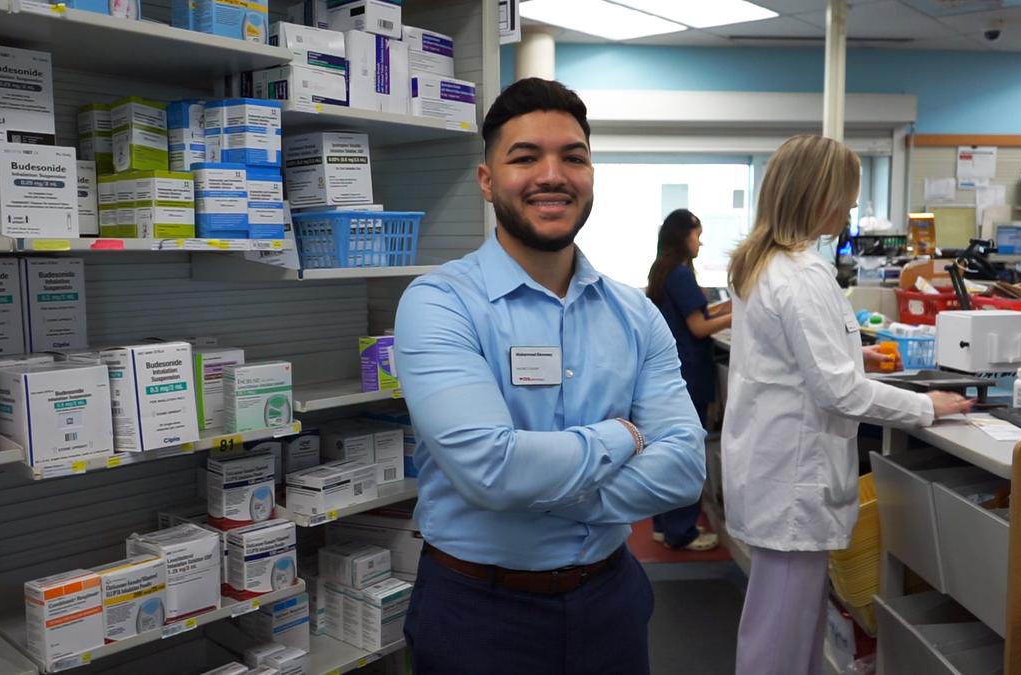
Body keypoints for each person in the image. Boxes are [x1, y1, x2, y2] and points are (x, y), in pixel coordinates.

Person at [393, 77, 707, 675]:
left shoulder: (634, 313)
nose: (552, 175)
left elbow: (686, 468)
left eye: (573, 157)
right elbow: (492, 468)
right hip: (479, 614)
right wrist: (623, 438)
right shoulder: (440, 303)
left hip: (610, 601)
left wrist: (526, 491)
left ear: (591, 175)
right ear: (487, 181)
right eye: (525, 157)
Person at [722, 135, 973, 675]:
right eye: (847, 196)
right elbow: (839, 392)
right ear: (817, 198)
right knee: (780, 643)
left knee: (783, 632)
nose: (853, 207)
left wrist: (852, 352)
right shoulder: (801, 274)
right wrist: (927, 405)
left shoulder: (763, 263)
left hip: (773, 471)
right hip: (792, 481)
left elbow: (788, 356)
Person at [645, 209, 730, 551]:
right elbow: (698, 327)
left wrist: (726, 310)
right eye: (697, 234)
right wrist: (739, 314)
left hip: (673, 373)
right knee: (686, 453)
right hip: (690, 373)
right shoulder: (680, 274)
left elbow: (699, 315)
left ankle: (665, 526)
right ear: (683, 236)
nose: (700, 241)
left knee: (668, 451)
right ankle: (683, 531)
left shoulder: (664, 270)